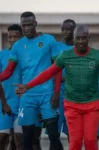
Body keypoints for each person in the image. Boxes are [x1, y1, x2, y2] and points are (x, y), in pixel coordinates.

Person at [15, 25, 99, 150]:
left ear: (89, 38)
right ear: (74, 39)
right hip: (72, 106)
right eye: (78, 38)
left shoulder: (97, 56)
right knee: (75, 142)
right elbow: (48, 73)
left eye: (83, 38)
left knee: (90, 141)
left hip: (92, 106)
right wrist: (28, 86)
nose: (80, 41)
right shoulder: (65, 56)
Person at [0, 12, 63, 150]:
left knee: (53, 136)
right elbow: (8, 71)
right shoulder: (18, 46)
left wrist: (56, 92)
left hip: (47, 94)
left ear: (35, 23)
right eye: (24, 25)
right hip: (27, 96)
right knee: (26, 138)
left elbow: (57, 69)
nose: (27, 28)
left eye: (29, 24)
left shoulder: (49, 40)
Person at [50, 19, 76, 138]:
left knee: (72, 132)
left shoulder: (79, 48)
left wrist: (66, 78)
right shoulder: (56, 46)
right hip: (57, 93)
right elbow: (51, 68)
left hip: (74, 94)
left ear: (74, 31)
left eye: (68, 29)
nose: (65, 32)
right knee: (53, 132)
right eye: (63, 29)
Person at [0, 24, 23, 150]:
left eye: (16, 36)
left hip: (22, 105)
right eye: (10, 36)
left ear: (22, 37)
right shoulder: (2, 55)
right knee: (2, 138)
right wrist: (3, 103)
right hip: (5, 104)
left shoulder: (26, 56)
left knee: (19, 141)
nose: (13, 39)